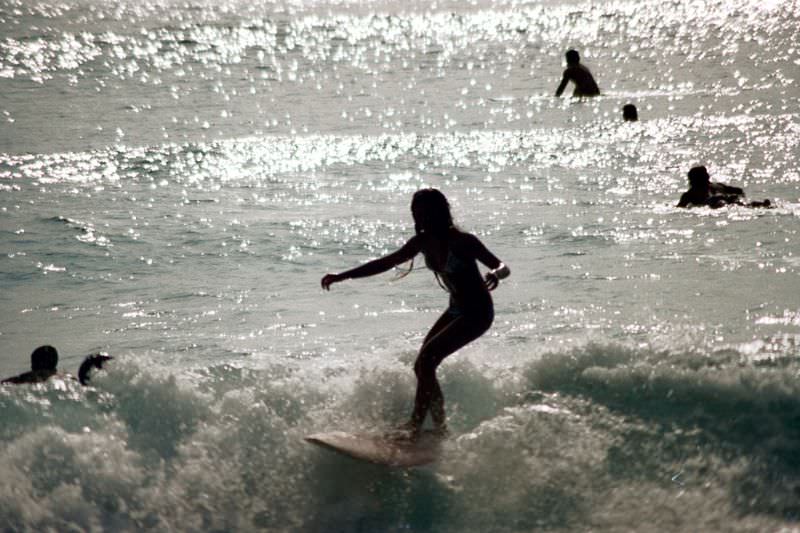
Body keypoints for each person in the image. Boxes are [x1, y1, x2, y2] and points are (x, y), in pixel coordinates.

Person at [321, 188, 510, 438]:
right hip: (456, 309)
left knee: (427, 360)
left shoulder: (464, 242)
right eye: (416, 212)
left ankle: (416, 426)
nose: (420, 216)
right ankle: (438, 427)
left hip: (478, 312)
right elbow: (386, 263)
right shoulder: (422, 242)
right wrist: (343, 275)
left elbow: (502, 266)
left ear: (440, 212)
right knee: (423, 364)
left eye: (425, 211)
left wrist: (495, 274)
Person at [676, 166, 771, 209]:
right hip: (724, 199)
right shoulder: (718, 185)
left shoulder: (689, 194)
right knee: (742, 204)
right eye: (705, 174)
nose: (708, 176)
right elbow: (738, 190)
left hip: (714, 202)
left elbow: (680, 208)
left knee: (726, 202)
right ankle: (762, 204)